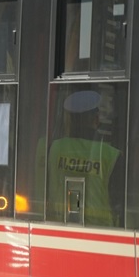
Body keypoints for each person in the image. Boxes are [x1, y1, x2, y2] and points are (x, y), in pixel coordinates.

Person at [46, 89, 123, 227]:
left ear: (70, 119)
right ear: (96, 119)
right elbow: (118, 201)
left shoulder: (54, 148)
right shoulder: (109, 154)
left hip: (57, 227)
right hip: (100, 231)